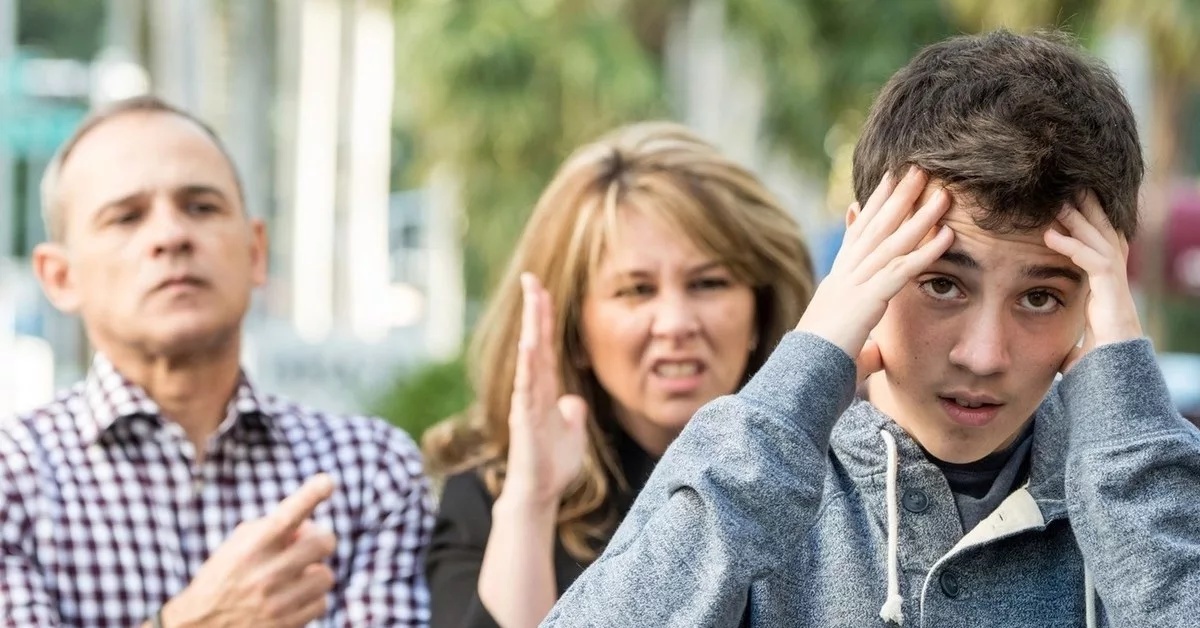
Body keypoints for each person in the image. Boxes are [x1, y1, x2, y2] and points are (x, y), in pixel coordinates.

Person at [541, 30, 1200, 627]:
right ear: (862, 256)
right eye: (942, 283)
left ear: (1101, 292)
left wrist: (1129, 445)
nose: (983, 354)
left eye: (1040, 297)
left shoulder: (1149, 484)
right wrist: (806, 368)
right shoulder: (757, 471)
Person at [0, 95, 435, 627]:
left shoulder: (369, 471)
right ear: (59, 276)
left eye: (201, 207)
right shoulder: (14, 481)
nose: (171, 236)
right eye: (126, 217)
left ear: (256, 251)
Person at [423, 121, 816, 628]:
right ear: (576, 330)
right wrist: (533, 499)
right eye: (636, 290)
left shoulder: (840, 478)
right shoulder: (492, 493)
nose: (675, 323)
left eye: (708, 283)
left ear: (759, 313)